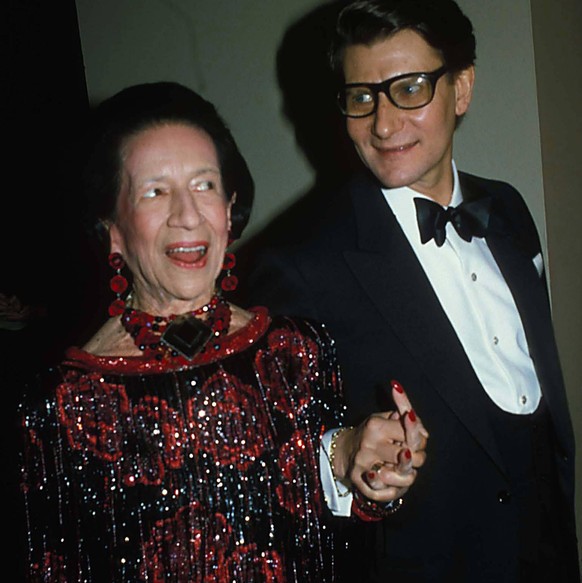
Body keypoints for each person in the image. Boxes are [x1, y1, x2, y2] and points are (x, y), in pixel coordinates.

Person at [19, 81, 428, 582]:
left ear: (230, 209)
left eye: (204, 185)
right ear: (112, 227)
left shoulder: (296, 350)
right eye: (154, 191)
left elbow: (333, 540)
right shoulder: (59, 404)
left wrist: (358, 467)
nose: (186, 215)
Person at [241, 1, 580, 582]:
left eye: (411, 88)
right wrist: (341, 457)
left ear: (462, 88)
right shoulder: (295, 261)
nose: (384, 124)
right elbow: (262, 467)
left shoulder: (508, 210)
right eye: (362, 96)